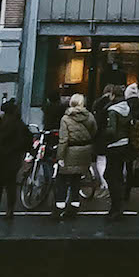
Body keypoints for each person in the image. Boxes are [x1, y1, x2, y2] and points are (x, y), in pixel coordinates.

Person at [54, 92, 96, 221]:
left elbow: (63, 140)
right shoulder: (89, 116)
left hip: (70, 151)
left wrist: (60, 157)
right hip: (84, 150)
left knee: (61, 180)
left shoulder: (66, 119)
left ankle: (59, 207)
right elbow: (94, 131)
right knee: (76, 180)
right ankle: (74, 205)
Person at [0, 97, 31, 221]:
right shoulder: (20, 124)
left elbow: (2, 135)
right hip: (15, 157)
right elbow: (27, 138)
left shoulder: (5, 122)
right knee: (11, 184)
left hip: (3, 156)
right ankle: (9, 209)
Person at [102, 87, 133, 220]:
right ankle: (119, 205)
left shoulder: (113, 111)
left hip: (114, 145)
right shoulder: (127, 108)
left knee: (109, 175)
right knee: (118, 175)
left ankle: (116, 207)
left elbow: (111, 130)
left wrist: (103, 134)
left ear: (113, 95)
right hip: (125, 144)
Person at [91, 82, 119, 194]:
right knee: (107, 160)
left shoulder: (97, 103)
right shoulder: (114, 104)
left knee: (100, 159)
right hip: (110, 135)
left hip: (99, 135)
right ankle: (107, 182)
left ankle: (104, 182)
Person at [124, 82, 139, 190]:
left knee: (125, 163)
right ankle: (132, 182)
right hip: (138, 139)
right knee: (135, 161)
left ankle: (126, 187)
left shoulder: (126, 105)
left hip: (127, 139)